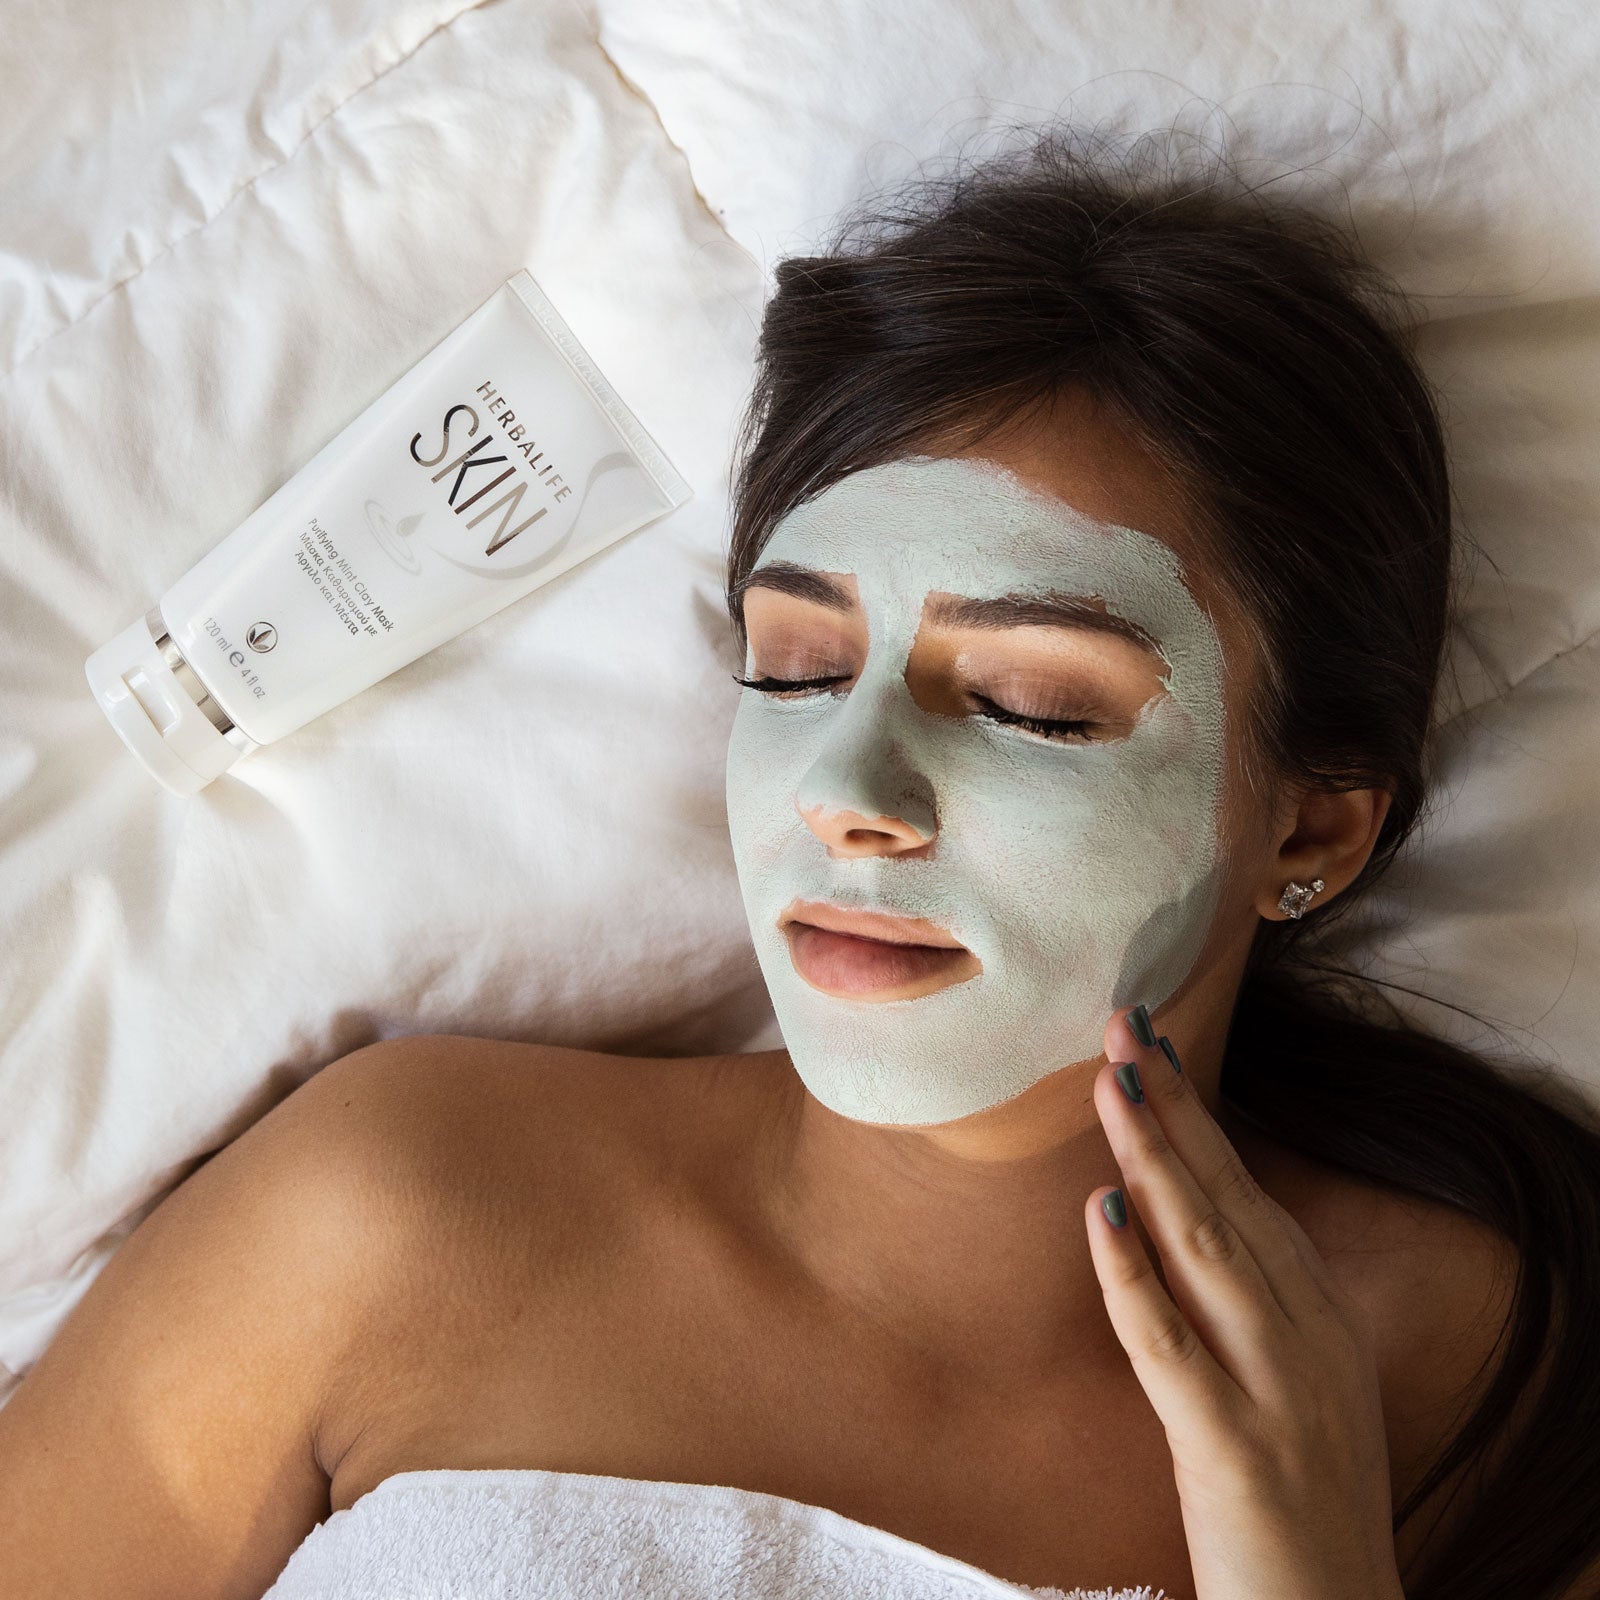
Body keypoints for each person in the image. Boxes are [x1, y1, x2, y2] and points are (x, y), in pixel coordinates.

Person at [3, 125, 1598, 1600]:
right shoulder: (396, 1215)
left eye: (1028, 703)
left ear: (1311, 827)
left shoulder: (1510, 1394)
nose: (849, 794)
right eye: (792, 668)